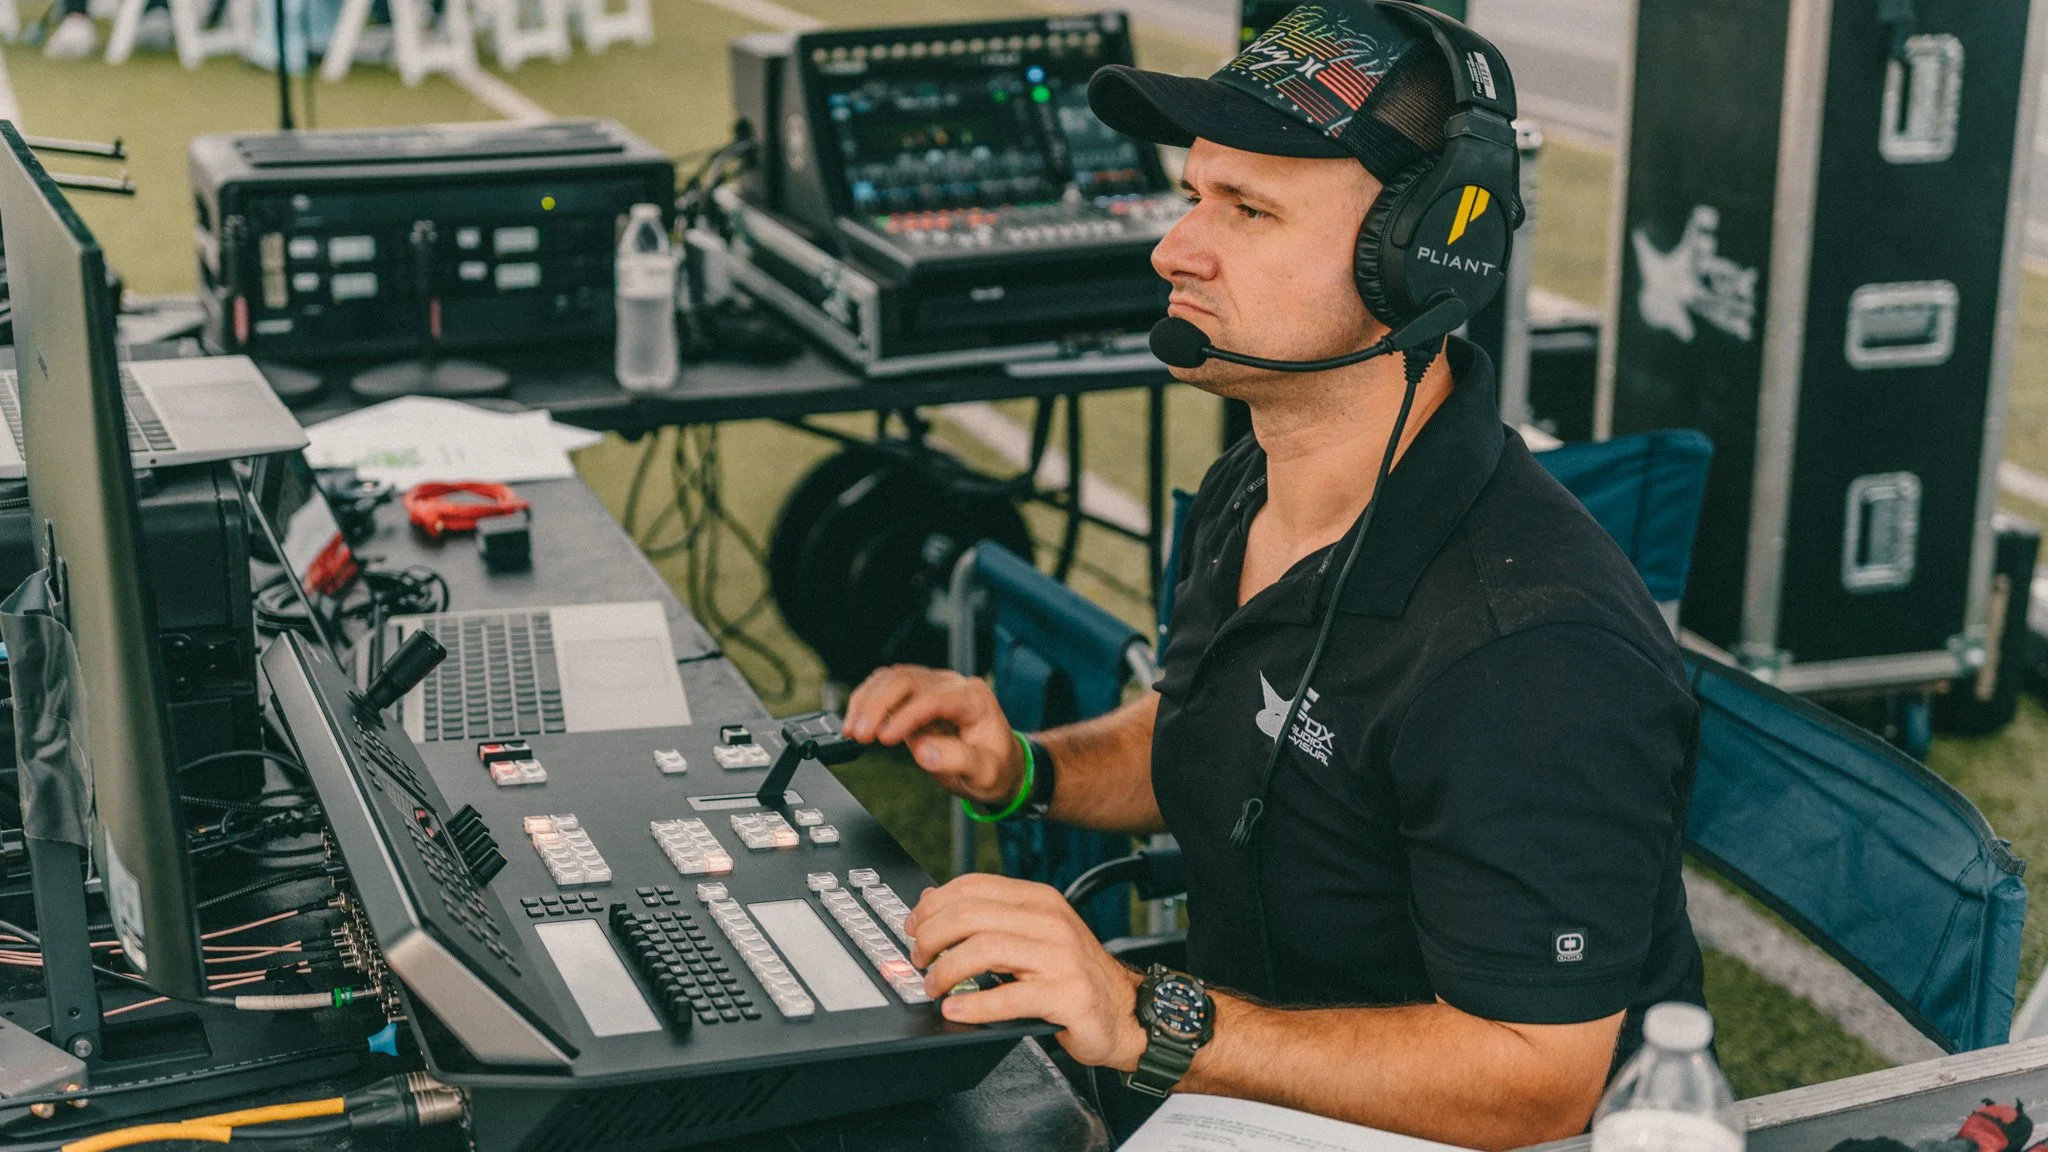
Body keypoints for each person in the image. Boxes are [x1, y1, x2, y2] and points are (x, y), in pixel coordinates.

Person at [842, 2, 1708, 1148]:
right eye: (1196, 194)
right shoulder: (1251, 485)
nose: (1174, 248)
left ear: (1416, 255)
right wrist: (1022, 772)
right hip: (1256, 1088)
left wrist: (1144, 1014)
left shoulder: (1529, 650)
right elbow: (1209, 732)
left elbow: (1535, 1076)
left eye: (1248, 211)